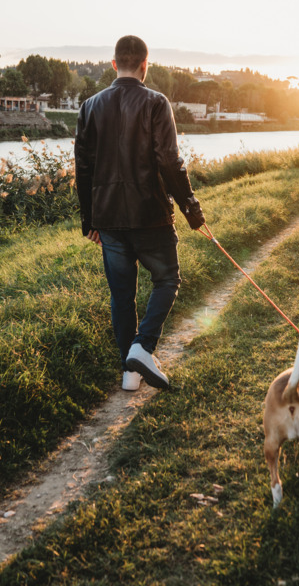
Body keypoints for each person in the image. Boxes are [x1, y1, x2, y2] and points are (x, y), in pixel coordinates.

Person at [74, 35, 205, 391]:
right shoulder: (156, 102)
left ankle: (130, 374)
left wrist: (90, 221)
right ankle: (143, 347)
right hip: (150, 216)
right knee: (167, 280)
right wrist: (191, 209)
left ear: (114, 64)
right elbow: (170, 162)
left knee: (122, 296)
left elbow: (82, 168)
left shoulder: (89, 107)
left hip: (109, 221)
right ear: (145, 65)